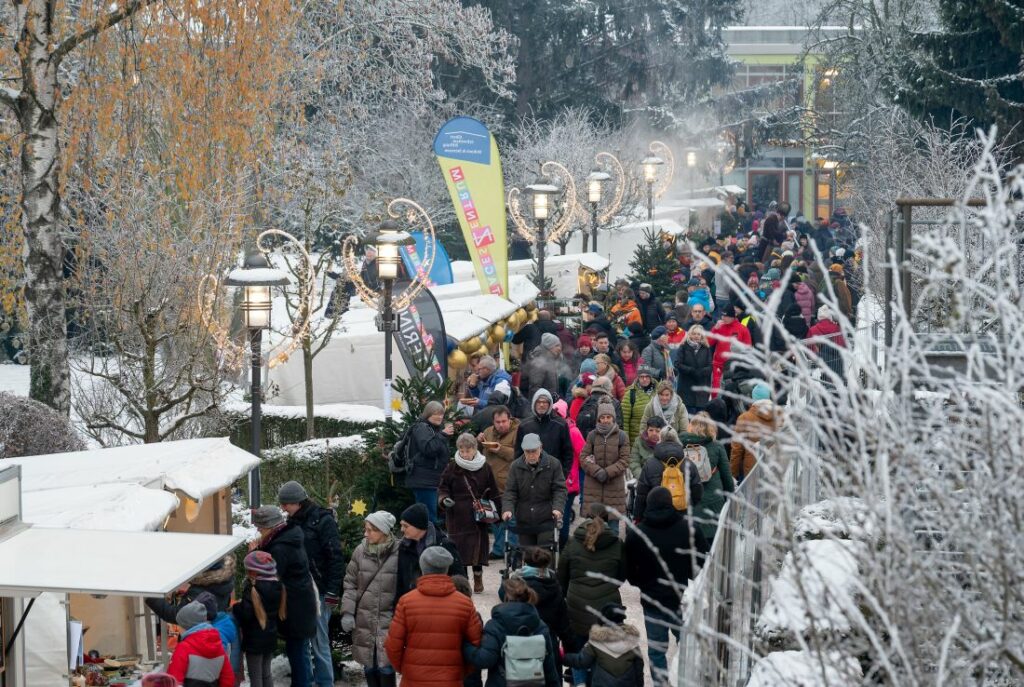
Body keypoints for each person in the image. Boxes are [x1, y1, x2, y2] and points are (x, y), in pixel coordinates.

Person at [625, 486, 705, 685]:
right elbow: (703, 561)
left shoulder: (638, 533)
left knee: (656, 651)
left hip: (652, 600)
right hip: (681, 598)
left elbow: (628, 569)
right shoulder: (689, 528)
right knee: (687, 645)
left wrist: (641, 583)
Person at [277, 481, 345, 687]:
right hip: (301, 591)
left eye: (286, 504)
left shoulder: (323, 521)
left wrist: (333, 589)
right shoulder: (292, 522)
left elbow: (335, 556)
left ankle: (325, 682)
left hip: (321, 590)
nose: (283, 508)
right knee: (303, 640)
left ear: (297, 502)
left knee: (319, 640)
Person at [385, 547, 483, 687]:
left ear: (422, 567)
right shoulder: (464, 604)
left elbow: (392, 645)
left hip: (414, 679)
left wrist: (405, 669)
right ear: (447, 569)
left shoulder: (406, 602)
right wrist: (461, 672)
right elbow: (476, 646)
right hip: (451, 679)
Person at [557, 505, 627, 686]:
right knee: (603, 654)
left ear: (587, 517)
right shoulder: (616, 543)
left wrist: (567, 595)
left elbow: (561, 576)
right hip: (606, 608)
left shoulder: (573, 542)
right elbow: (621, 575)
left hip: (577, 607)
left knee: (578, 652)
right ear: (606, 518)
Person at [251, 505, 318, 687]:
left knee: (298, 655)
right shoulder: (289, 537)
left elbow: (268, 578)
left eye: (260, 528)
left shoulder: (280, 548)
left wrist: (253, 554)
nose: (258, 531)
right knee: (299, 652)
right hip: (301, 605)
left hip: (295, 608)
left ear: (270, 527)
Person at [462, 577, 561, 687]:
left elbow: (485, 659)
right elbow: (549, 667)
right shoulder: (540, 626)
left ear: (505, 597)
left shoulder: (495, 625)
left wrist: (465, 645)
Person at [341, 511, 400, 687]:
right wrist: (347, 613)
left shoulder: (400, 553)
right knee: (369, 667)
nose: (366, 534)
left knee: (386, 667)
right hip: (364, 620)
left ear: (383, 531)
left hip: (389, 621)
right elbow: (350, 583)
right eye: (365, 529)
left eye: (371, 530)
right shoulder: (360, 551)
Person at [439, 434, 501, 593]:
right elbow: (443, 487)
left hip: (478, 514)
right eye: (461, 450)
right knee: (459, 551)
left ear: (475, 449)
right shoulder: (452, 467)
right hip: (456, 514)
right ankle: (463, 582)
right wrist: (444, 499)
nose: (465, 453)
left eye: (468, 450)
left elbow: (493, 490)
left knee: (477, 549)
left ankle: (478, 576)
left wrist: (499, 511)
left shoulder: (485, 467)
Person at [500, 547, 572, 664]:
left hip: (519, 643)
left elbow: (502, 595)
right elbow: (563, 624)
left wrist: (508, 579)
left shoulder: (517, 586)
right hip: (548, 642)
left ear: (525, 563)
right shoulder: (554, 586)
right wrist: (570, 652)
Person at [502, 432, 567, 547]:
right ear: (523, 451)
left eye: (534, 451)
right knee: (527, 554)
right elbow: (510, 492)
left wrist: (557, 508)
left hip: (546, 517)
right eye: (528, 452)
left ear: (541, 448)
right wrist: (507, 509)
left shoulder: (553, 464)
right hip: (524, 518)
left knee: (544, 551)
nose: (531, 455)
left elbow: (559, 490)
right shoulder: (515, 466)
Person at [680, 413, 734, 543]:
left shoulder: (680, 445)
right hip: (713, 499)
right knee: (712, 542)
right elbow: (727, 476)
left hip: (688, 498)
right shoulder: (717, 446)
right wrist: (729, 497)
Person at [562, 602, 644, 687]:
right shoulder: (631, 641)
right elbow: (638, 669)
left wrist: (564, 657)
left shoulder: (597, 641)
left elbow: (582, 661)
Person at [233, 551, 283, 687]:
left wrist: (236, 607)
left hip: (254, 641)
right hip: (270, 636)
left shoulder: (253, 588)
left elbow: (246, 614)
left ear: (253, 571)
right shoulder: (278, 586)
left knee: (255, 677)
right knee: (266, 673)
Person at [395, 502, 466, 598]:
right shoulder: (404, 546)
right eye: (401, 525)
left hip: (440, 601)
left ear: (418, 526)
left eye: (406, 526)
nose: (402, 529)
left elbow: (460, 579)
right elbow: (400, 581)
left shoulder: (444, 545)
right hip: (412, 601)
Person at [633, 429, 704, 520]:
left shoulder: (650, 464)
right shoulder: (688, 463)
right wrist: (689, 505)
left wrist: (638, 516)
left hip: (656, 516)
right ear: (676, 439)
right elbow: (697, 490)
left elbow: (642, 494)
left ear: (660, 439)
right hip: (682, 515)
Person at [478, 406, 520, 559]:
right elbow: (481, 454)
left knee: (511, 520)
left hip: (509, 485)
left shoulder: (519, 431)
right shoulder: (488, 431)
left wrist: (500, 449)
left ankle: (514, 551)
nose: (501, 424)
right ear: (493, 422)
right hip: (490, 484)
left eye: (504, 421)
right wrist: (479, 442)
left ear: (510, 419)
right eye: (498, 422)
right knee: (494, 519)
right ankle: (498, 550)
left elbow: (520, 455)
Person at [144, 555, 236, 625]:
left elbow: (177, 615)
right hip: (212, 633)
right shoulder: (225, 579)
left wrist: (151, 596)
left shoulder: (199, 592)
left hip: (199, 637)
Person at [579, 404, 630, 526]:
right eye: (603, 417)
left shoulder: (622, 436)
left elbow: (625, 460)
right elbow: (583, 457)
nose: (606, 420)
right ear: (598, 419)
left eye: (608, 417)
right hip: (593, 488)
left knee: (612, 531)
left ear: (613, 418)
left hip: (614, 489)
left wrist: (607, 472)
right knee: (593, 531)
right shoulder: (592, 435)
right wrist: (597, 471)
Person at [405, 401, 455, 524]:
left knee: (429, 515)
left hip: (430, 480)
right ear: (428, 414)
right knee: (428, 517)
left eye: (441, 414)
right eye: (436, 414)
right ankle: (427, 542)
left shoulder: (433, 429)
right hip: (423, 481)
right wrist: (443, 435)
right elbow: (429, 449)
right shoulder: (422, 428)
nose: (440, 417)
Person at [167, 601, 235, 687]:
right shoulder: (218, 646)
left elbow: (173, 680)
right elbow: (228, 678)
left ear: (186, 626)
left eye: (179, 625)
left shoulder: (184, 648)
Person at [515, 389, 575, 479]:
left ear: (550, 404)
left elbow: (567, 453)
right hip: (529, 477)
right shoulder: (524, 425)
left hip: (553, 477)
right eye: (538, 402)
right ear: (534, 404)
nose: (541, 405)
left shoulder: (560, 425)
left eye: (545, 402)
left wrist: (563, 475)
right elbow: (518, 453)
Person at [730, 382, 781, 482]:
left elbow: (737, 449)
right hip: (774, 467)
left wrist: (732, 474)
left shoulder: (745, 418)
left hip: (752, 470)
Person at [553, 399, 586, 549]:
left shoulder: (573, 431)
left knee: (563, 518)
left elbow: (583, 454)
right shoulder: (552, 428)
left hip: (569, 482)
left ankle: (563, 547)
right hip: (553, 481)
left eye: (557, 413)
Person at [709, 303, 752, 394]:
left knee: (731, 394)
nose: (723, 318)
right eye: (722, 316)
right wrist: (715, 329)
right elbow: (709, 343)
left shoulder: (742, 329)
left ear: (732, 316)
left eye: (726, 316)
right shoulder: (719, 327)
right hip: (718, 365)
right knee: (716, 393)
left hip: (734, 367)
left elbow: (748, 349)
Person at [674, 324, 713, 414]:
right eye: (694, 334)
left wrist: (701, 372)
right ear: (690, 335)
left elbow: (710, 366)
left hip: (701, 390)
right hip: (686, 388)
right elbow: (678, 364)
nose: (696, 336)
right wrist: (691, 370)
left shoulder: (706, 348)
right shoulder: (683, 347)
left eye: (698, 334)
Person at [620, 365, 657, 445]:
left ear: (651, 377)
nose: (644, 379)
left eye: (647, 376)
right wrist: (626, 444)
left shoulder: (659, 392)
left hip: (656, 440)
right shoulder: (630, 394)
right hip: (636, 441)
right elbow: (625, 422)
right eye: (641, 377)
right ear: (637, 378)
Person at [521, 333, 563, 401]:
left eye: (560, 345)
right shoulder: (539, 362)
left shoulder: (550, 360)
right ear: (549, 346)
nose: (559, 348)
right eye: (557, 345)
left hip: (549, 403)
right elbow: (534, 389)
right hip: (542, 405)